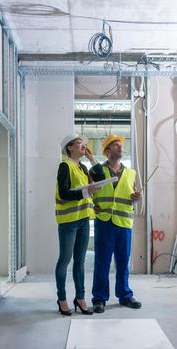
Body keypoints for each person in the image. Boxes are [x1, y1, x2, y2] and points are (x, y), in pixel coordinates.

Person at [85, 134, 142, 313]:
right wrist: (92, 207)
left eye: (121, 145)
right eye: (116, 145)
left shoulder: (131, 173)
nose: (120, 147)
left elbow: (131, 195)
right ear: (107, 151)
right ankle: (99, 298)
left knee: (123, 261)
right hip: (104, 222)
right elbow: (87, 193)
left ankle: (125, 295)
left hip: (124, 222)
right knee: (102, 262)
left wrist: (136, 197)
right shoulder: (96, 171)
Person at [55, 133, 99, 316]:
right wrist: (85, 193)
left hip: (83, 220)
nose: (84, 145)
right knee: (65, 261)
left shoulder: (82, 167)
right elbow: (64, 193)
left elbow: (97, 178)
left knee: (80, 262)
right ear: (70, 147)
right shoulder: (65, 166)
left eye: (84, 144)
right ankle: (62, 298)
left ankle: (80, 298)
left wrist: (91, 158)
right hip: (69, 222)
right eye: (80, 143)